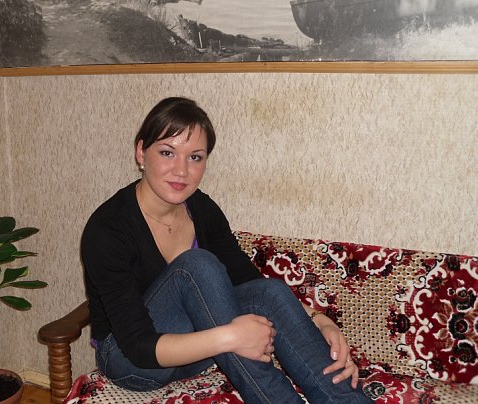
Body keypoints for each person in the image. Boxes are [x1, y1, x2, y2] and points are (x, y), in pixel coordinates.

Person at [81, 97, 371, 403]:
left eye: (195, 157)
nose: (181, 170)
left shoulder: (201, 208)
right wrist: (231, 337)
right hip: (132, 361)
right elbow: (138, 346)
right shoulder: (108, 228)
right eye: (167, 153)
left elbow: (249, 283)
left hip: (196, 354)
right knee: (196, 266)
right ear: (141, 152)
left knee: (268, 292)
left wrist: (318, 320)